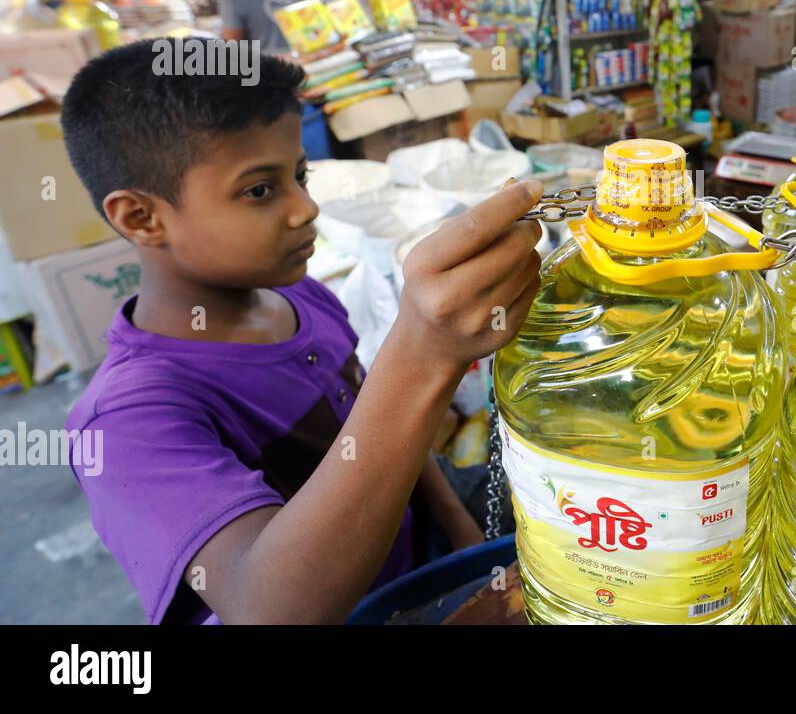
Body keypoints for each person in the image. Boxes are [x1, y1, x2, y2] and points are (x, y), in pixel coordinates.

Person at [60, 38, 541, 624]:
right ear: (142, 217)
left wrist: (467, 547)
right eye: (260, 190)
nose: (305, 208)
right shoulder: (125, 423)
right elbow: (270, 609)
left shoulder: (298, 295)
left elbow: (392, 437)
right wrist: (423, 354)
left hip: (416, 563)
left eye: (300, 175)